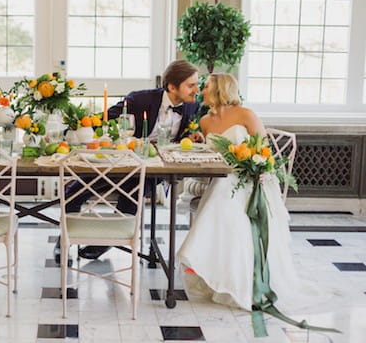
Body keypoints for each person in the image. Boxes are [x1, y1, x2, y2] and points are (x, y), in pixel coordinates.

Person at [177, 73, 316, 313]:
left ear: (220, 89)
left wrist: (258, 168)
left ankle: (247, 283)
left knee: (221, 202)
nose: (201, 92)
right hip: (221, 178)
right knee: (219, 193)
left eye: (206, 87)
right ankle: (218, 276)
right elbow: (212, 154)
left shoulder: (246, 114)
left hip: (251, 180)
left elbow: (265, 151)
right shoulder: (205, 122)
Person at [54, 60, 201, 263]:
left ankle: (107, 240)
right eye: (191, 85)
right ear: (172, 87)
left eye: (197, 84)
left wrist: (194, 136)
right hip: (120, 159)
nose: (197, 89)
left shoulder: (193, 107)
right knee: (78, 189)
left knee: (133, 192)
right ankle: (63, 239)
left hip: (153, 168)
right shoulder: (139, 100)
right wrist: (73, 130)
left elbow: (190, 133)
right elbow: (104, 119)